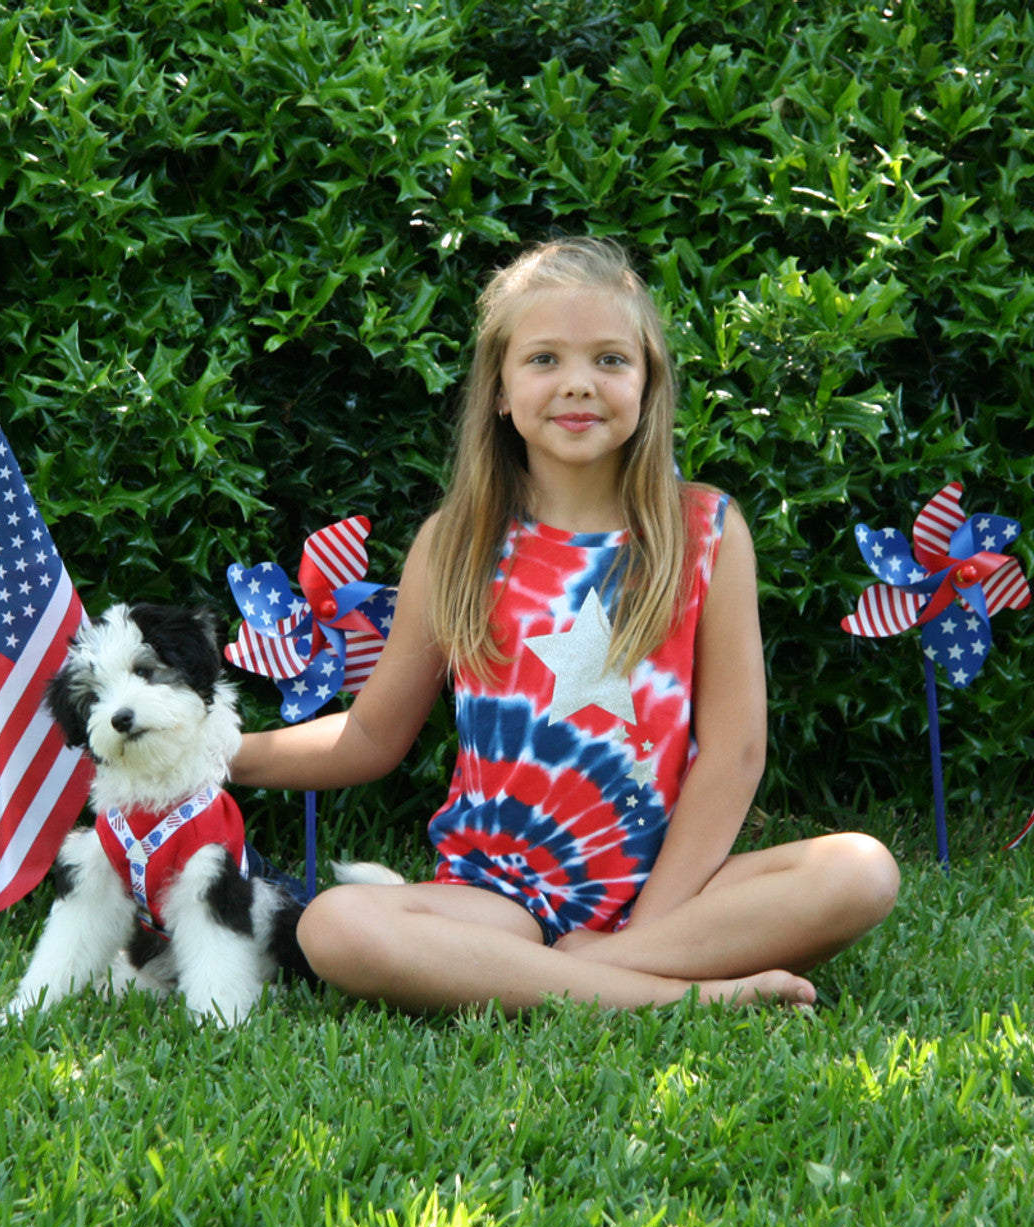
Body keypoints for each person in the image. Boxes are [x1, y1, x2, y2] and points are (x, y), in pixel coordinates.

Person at [231, 237, 899, 1015]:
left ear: (648, 384)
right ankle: (683, 995)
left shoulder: (705, 532)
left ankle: (586, 972)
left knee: (862, 870)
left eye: (610, 360)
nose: (579, 384)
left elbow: (735, 751)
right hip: (495, 899)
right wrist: (215, 756)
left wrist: (649, 922)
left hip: (673, 890)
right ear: (500, 391)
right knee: (336, 926)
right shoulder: (457, 544)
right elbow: (370, 736)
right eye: (544, 359)